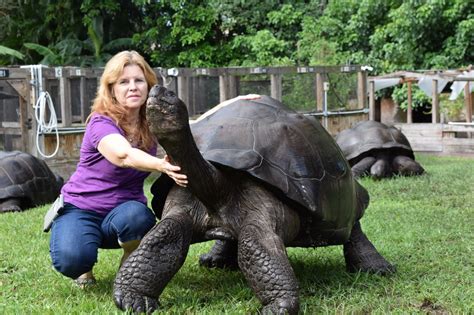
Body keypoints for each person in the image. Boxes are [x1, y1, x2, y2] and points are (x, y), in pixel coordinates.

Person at [49, 50, 188, 288]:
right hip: (81, 208)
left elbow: (190, 123)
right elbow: (122, 155)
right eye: (124, 82)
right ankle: (82, 268)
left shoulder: (151, 121)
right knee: (72, 259)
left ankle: (129, 256)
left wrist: (237, 101)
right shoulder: (100, 122)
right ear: (111, 88)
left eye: (138, 80)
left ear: (148, 85)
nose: (132, 87)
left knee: (137, 217)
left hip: (124, 212)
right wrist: (161, 165)